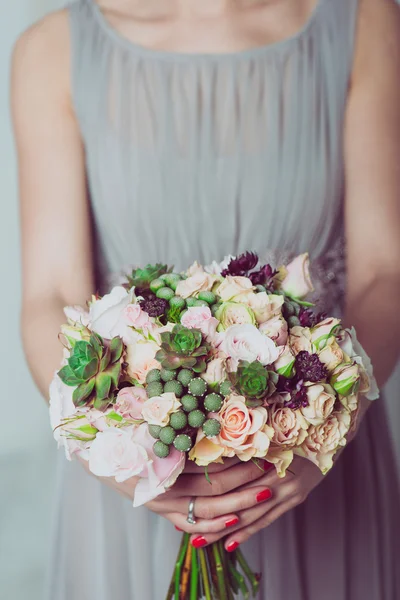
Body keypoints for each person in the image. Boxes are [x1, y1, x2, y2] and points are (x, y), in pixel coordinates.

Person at [11, 0, 400, 598]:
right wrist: (115, 457)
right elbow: (51, 293)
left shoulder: (369, 23)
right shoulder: (51, 51)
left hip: (320, 458)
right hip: (140, 477)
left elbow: (385, 273)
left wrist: (324, 438)